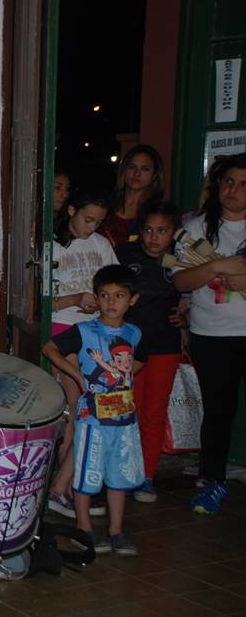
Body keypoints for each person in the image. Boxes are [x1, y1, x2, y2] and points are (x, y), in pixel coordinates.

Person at [43, 264, 147, 556]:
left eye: (119, 296)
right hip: (92, 421)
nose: (111, 302)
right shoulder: (84, 331)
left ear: (133, 299)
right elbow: (49, 349)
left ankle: (116, 530)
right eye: (104, 295)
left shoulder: (134, 333)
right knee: (87, 473)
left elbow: (141, 360)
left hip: (124, 421)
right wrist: (77, 376)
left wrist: (123, 380)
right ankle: (84, 527)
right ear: (97, 297)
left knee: (119, 476)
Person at [172, 153, 246, 515]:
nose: (233, 190)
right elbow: (180, 280)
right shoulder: (196, 228)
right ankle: (212, 480)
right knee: (218, 412)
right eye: (228, 182)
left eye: (243, 184)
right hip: (212, 334)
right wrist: (218, 265)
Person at [47, 188, 118, 518]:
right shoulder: (51, 245)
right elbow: (40, 301)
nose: (92, 227)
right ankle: (63, 489)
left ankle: (71, 486)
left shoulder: (101, 244)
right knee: (78, 411)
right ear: (72, 210)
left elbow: (115, 285)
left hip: (94, 331)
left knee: (89, 412)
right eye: (88, 220)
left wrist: (101, 301)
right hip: (62, 329)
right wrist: (75, 299)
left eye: (98, 222)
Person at [115, 200, 184, 503]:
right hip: (127, 347)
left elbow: (197, 294)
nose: (154, 237)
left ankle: (146, 477)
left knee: (153, 413)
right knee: (125, 410)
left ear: (174, 232)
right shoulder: (124, 254)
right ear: (140, 230)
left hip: (165, 346)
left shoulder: (182, 259)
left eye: (162, 231)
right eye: (148, 230)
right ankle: (120, 473)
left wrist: (187, 313)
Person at [102, 144, 166, 246]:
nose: (137, 174)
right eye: (132, 167)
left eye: (145, 169)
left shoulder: (158, 211)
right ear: (124, 170)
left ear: (154, 175)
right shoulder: (105, 203)